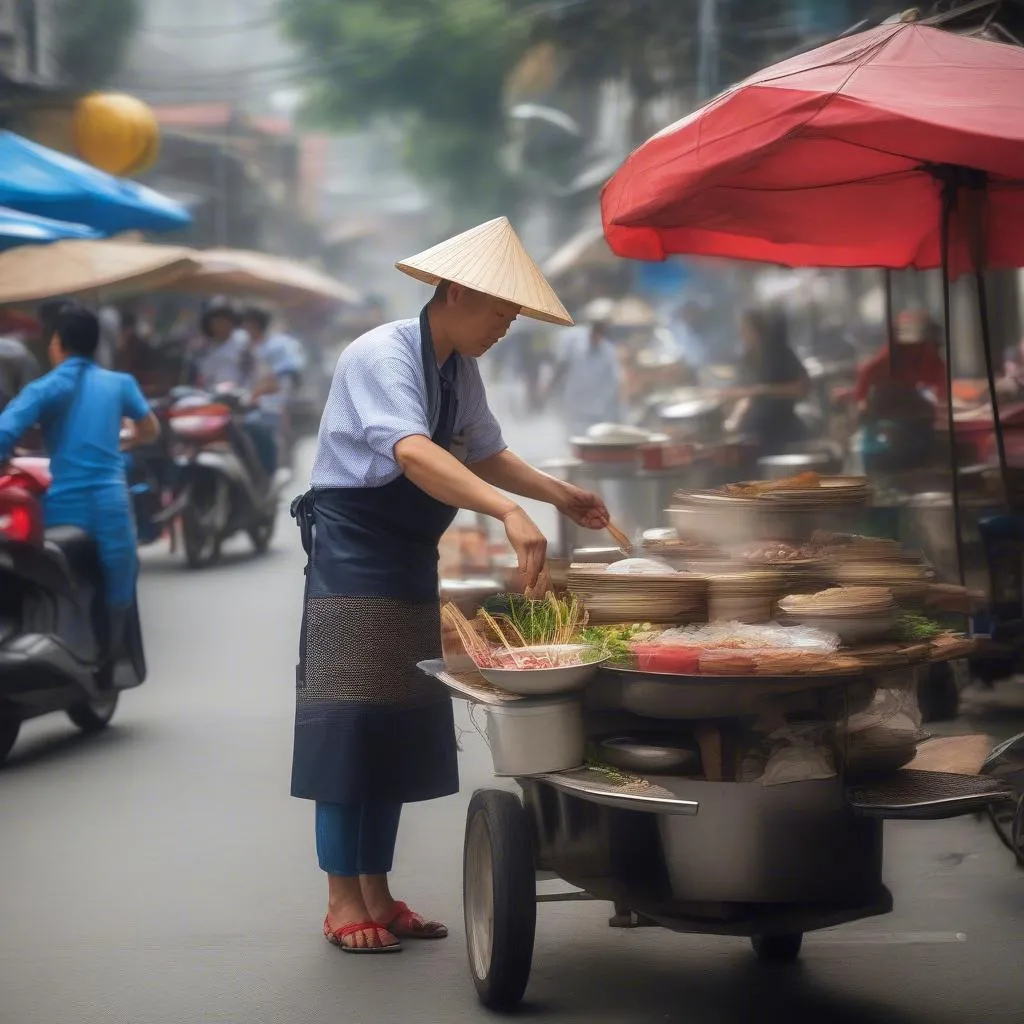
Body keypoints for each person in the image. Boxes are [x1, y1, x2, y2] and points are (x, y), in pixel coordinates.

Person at [291, 216, 610, 954]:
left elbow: (486, 451)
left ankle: (378, 889)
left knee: (394, 723)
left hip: (406, 554)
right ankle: (342, 897)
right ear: (458, 294)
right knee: (349, 725)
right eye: (501, 311)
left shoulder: (456, 367)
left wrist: (559, 494)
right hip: (354, 555)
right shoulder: (384, 353)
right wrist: (506, 511)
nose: (506, 327)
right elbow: (410, 453)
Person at [0, 304, 159, 655]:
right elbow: (150, 429)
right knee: (121, 579)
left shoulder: (45, 387)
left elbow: (5, 433)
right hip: (111, 506)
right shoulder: (119, 383)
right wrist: (125, 439)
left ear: (57, 343)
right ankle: (114, 651)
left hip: (62, 507)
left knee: (50, 580)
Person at [725, 306, 810, 455]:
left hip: (784, 428)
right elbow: (745, 397)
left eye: (745, 328)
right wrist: (734, 419)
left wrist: (763, 390)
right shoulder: (747, 358)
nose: (742, 333)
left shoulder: (780, 353)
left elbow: (801, 388)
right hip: (757, 430)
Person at [239, 307, 307, 473]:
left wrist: (260, 392)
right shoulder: (247, 347)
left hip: (273, 403)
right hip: (250, 401)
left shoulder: (279, 345)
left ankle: (269, 472)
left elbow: (284, 375)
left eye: (249, 324)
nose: (245, 329)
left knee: (260, 429)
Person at [549, 298, 624, 438]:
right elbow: (561, 366)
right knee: (572, 437)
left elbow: (614, 381)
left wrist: (614, 407)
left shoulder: (608, 350)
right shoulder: (572, 339)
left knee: (592, 438)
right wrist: (552, 389)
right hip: (573, 401)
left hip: (597, 407)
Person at [853, 308, 948, 411]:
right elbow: (868, 371)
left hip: (909, 396)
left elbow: (941, 382)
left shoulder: (930, 355)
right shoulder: (892, 354)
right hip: (885, 398)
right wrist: (861, 400)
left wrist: (942, 402)